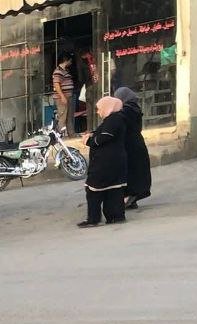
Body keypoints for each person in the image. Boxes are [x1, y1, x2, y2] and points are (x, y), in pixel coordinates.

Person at [78, 96, 127, 228]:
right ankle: (115, 216)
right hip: (113, 161)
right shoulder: (115, 119)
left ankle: (93, 219)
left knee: (93, 189)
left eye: (100, 109)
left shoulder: (114, 120)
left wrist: (90, 141)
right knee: (113, 189)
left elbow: (105, 137)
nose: (98, 112)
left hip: (106, 162)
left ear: (108, 108)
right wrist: (93, 135)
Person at [114, 86, 151, 209]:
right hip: (137, 143)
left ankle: (129, 197)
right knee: (136, 172)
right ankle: (132, 199)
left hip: (129, 145)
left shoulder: (126, 110)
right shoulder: (134, 108)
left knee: (130, 172)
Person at [52, 53, 76, 136]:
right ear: (66, 60)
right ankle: (61, 135)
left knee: (70, 116)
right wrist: (62, 96)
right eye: (70, 60)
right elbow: (56, 84)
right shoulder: (58, 71)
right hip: (63, 97)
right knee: (63, 116)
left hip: (69, 96)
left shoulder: (65, 70)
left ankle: (71, 134)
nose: (71, 62)